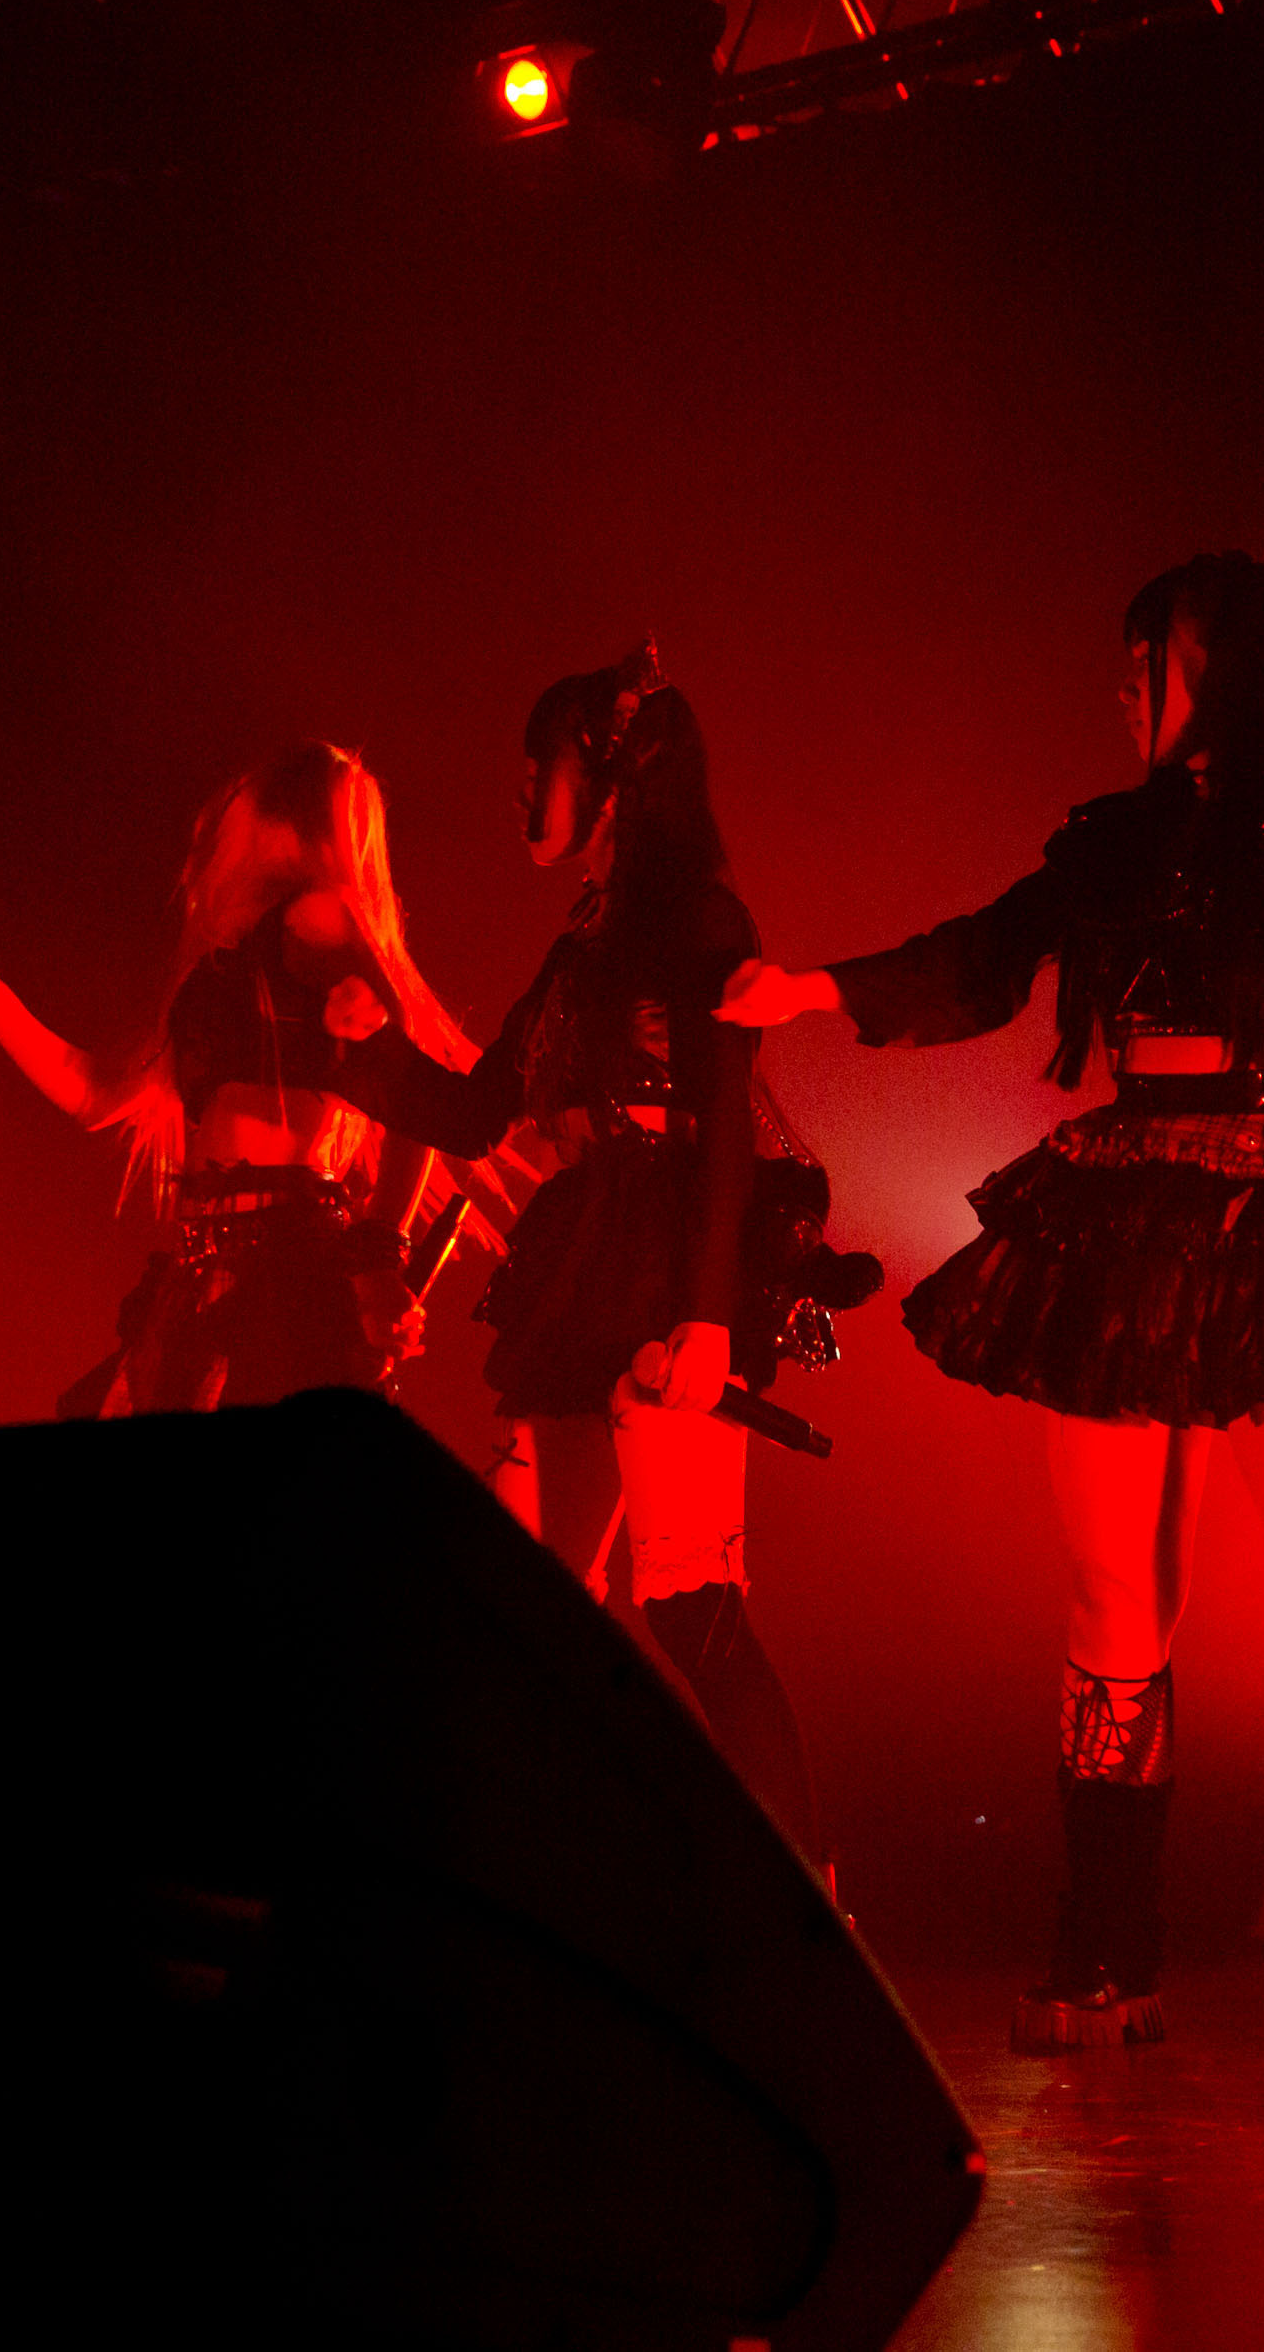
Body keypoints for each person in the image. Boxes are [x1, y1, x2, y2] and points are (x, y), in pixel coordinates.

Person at [720, 555, 1264, 2063]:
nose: (1123, 685)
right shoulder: (1110, 842)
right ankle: (1104, 1947)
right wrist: (812, 989)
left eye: (1150, 657)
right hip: (1122, 1211)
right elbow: (982, 958)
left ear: (1225, 669)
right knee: (1108, 1592)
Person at [320, 648, 873, 1872]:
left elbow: (722, 1123)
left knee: (692, 1603)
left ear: (612, 771)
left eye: (542, 764)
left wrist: (707, 1317)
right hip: (585, 1258)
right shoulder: (581, 942)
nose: (524, 788)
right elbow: (476, 1111)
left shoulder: (699, 919)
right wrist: (358, 1051)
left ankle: (802, 1892)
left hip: (665, 1264)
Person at [0, 740, 476, 1418]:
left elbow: (413, 1092)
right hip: (206, 1272)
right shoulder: (226, 964)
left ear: (285, 820)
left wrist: (381, 1255)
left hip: (285, 1265)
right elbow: (95, 1096)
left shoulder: (315, 911)